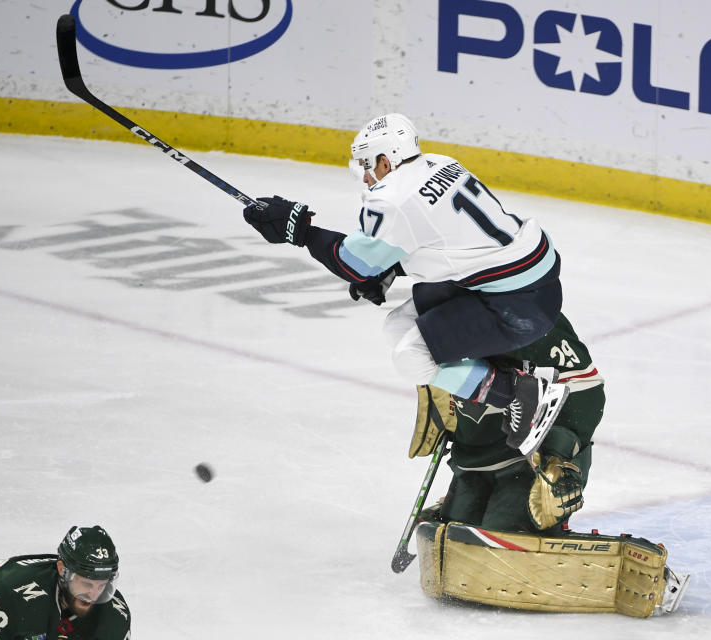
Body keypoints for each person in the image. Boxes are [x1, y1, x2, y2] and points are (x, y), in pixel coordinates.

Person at [242, 113, 569, 456]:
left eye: (368, 164)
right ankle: (486, 377)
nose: (366, 175)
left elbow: (353, 265)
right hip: (529, 276)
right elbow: (441, 238)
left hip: (517, 305)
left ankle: (515, 392)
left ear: (386, 160)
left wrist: (300, 231)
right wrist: (387, 269)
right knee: (397, 327)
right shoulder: (440, 163)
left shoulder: (391, 198)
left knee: (410, 358)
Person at [414, 310, 605, 534]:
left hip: (525, 461)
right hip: (473, 462)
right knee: (455, 531)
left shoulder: (523, 315)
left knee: (503, 535)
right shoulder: (429, 315)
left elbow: (586, 387)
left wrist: (559, 455)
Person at [0, 525, 131, 640]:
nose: (94, 596)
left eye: (102, 585)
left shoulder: (114, 618)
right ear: (62, 570)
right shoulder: (11, 597)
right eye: (86, 584)